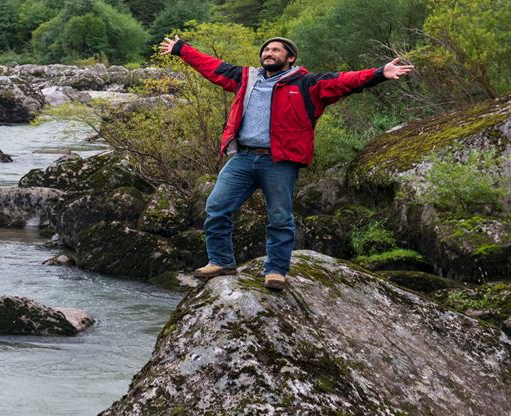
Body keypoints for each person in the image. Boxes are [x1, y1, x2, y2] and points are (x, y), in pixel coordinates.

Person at [158, 34, 414, 290]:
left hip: (280, 161)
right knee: (216, 207)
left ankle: (276, 271)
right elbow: (212, 66)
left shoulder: (308, 84)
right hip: (244, 157)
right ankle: (221, 261)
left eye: (276, 50)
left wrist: (381, 73)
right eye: (266, 49)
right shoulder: (246, 78)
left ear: (290, 58)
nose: (269, 53)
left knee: (279, 218)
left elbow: (346, 80)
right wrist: (182, 49)